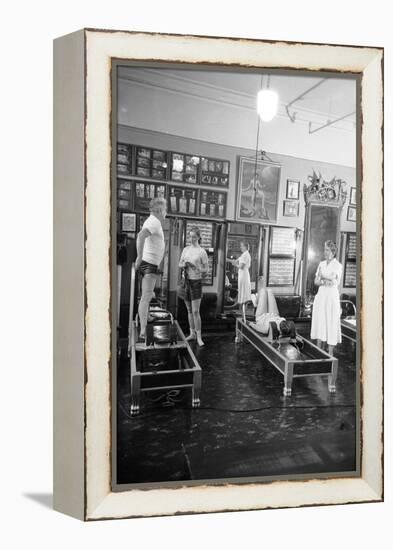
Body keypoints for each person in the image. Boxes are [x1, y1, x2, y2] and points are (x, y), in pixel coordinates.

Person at [135, 197, 167, 340]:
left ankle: (146, 317)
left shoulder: (153, 221)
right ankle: (142, 331)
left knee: (148, 295)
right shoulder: (154, 221)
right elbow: (141, 236)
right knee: (146, 297)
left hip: (149, 264)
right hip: (148, 264)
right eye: (165, 209)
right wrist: (139, 257)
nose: (165, 212)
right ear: (160, 210)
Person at [310, 240, 342, 355]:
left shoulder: (338, 265)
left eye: (327, 250)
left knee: (331, 321)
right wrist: (325, 280)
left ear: (333, 251)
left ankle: (330, 353)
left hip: (331, 297)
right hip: (322, 295)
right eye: (324, 249)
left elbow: (333, 282)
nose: (325, 252)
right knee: (320, 320)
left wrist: (323, 278)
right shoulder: (321, 264)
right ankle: (318, 351)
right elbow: (316, 281)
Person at [179, 226, 208, 347]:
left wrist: (197, 268)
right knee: (189, 310)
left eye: (194, 237)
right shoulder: (185, 249)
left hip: (196, 282)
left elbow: (206, 270)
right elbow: (179, 263)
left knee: (196, 311)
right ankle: (192, 334)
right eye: (190, 236)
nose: (192, 239)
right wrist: (184, 264)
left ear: (199, 237)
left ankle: (199, 337)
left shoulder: (202, 252)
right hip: (186, 282)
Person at [227, 241, 252, 318]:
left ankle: (243, 313)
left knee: (244, 292)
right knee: (241, 290)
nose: (240, 247)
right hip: (242, 274)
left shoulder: (246, 255)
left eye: (241, 246)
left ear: (245, 247)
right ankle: (242, 311)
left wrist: (235, 265)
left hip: (244, 274)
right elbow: (235, 261)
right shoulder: (243, 255)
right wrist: (227, 259)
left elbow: (241, 266)